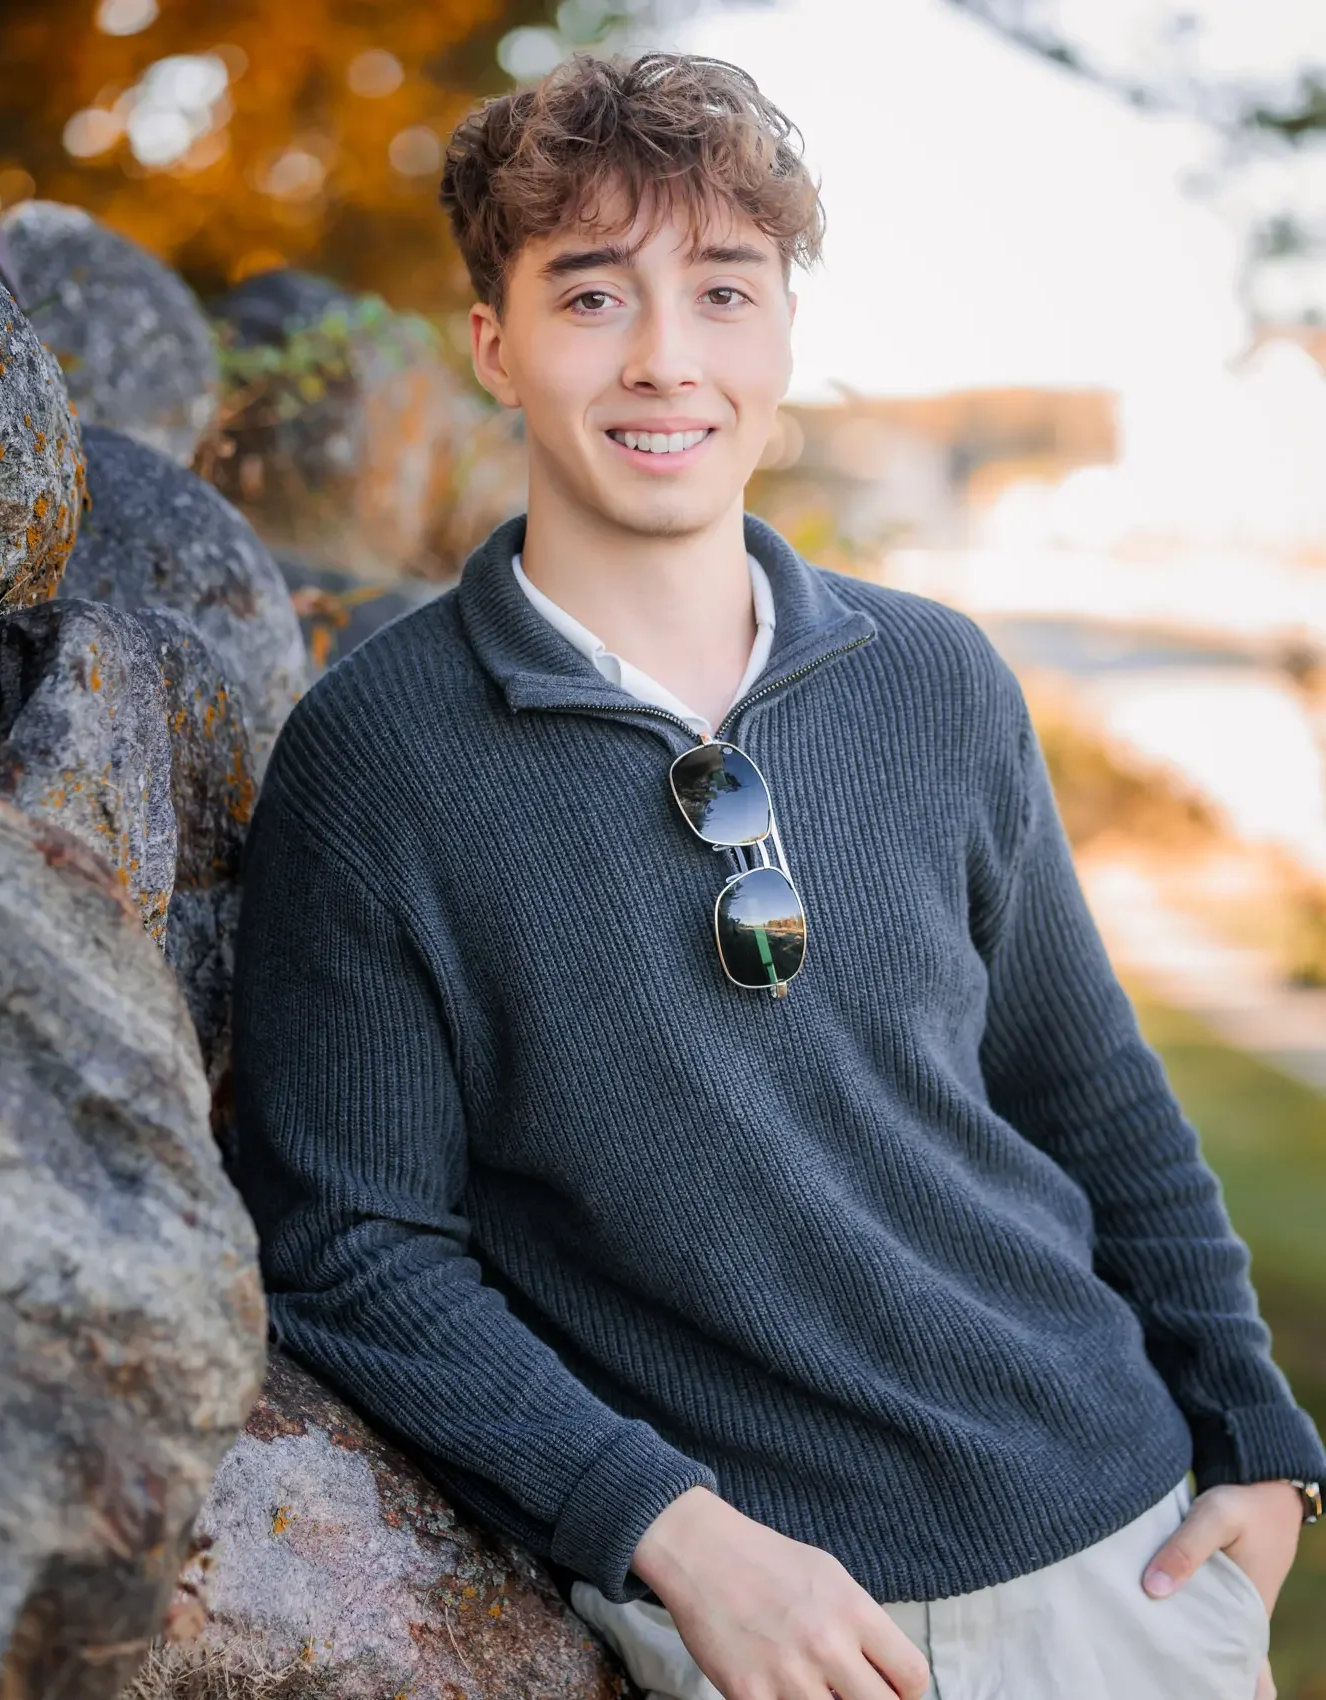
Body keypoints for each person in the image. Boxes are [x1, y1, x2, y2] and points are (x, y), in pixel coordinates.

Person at [230, 50, 1324, 1700]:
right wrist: (667, 1526)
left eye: (723, 291)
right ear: (494, 346)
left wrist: (1255, 1433)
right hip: (760, 1625)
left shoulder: (938, 679)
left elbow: (1083, 1088)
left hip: (1127, 1554)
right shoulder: (377, 762)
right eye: (593, 295)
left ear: (783, 339)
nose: (667, 358)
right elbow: (356, 1247)